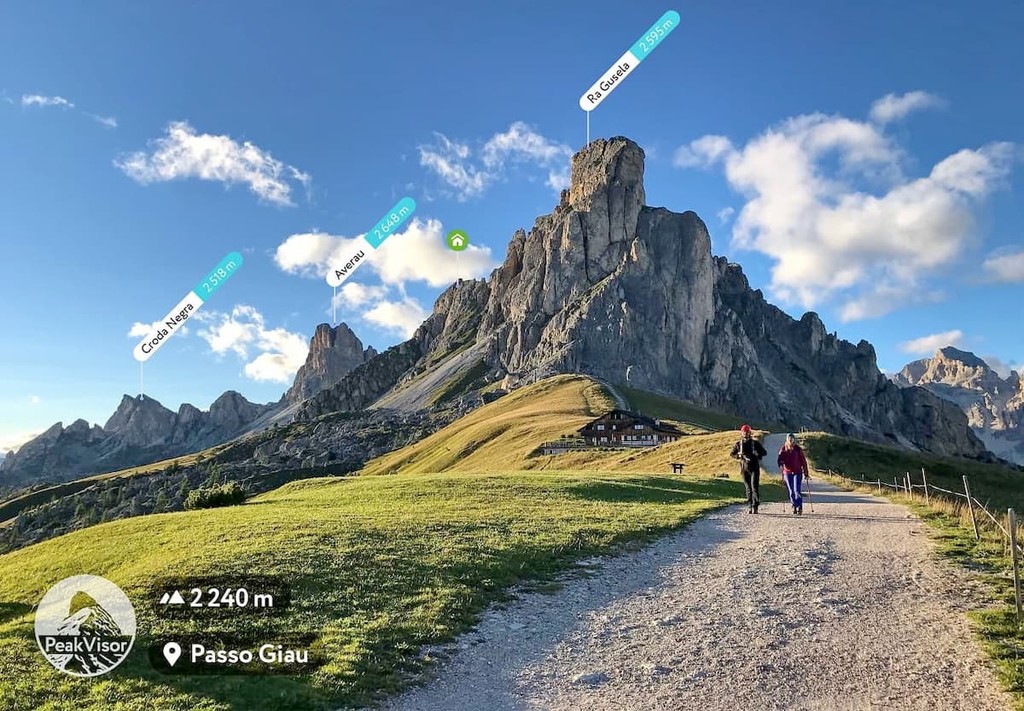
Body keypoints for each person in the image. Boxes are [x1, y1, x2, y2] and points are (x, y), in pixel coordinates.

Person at [730, 425, 767, 513]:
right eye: (744, 432)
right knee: (748, 488)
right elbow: (732, 454)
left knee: (754, 487)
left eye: (747, 432)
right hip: (744, 469)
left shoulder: (755, 443)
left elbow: (764, 452)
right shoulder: (738, 444)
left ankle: (755, 505)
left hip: (754, 468)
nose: (746, 433)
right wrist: (738, 456)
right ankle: (750, 505)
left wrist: (757, 454)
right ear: (742, 433)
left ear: (750, 433)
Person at [777, 433, 810, 515]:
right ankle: (794, 505)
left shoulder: (798, 449)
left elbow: (803, 461)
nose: (791, 441)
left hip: (797, 472)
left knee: (796, 490)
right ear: (787, 440)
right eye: (789, 439)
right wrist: (781, 463)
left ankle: (799, 506)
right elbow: (779, 459)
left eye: (792, 439)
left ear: (794, 440)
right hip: (787, 473)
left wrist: (806, 472)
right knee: (791, 491)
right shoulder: (783, 449)